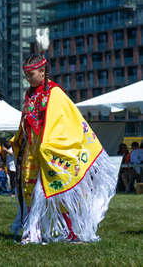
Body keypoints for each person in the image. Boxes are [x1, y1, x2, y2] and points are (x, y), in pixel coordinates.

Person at [10, 40, 119, 244]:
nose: (28, 79)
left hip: (51, 149)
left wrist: (49, 144)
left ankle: (74, 231)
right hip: (33, 151)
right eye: (26, 76)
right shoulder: (30, 94)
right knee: (29, 189)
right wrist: (20, 138)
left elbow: (65, 122)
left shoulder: (55, 93)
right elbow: (27, 118)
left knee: (61, 192)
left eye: (30, 75)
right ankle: (33, 231)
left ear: (42, 72)